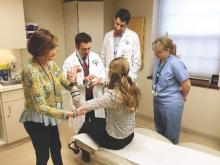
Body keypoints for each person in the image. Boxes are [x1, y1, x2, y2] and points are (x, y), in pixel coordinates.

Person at [19, 28, 77, 165]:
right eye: (52, 47)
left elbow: (66, 83)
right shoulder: (30, 70)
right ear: (41, 49)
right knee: (43, 155)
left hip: (50, 117)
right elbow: (41, 108)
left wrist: (74, 80)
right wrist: (69, 114)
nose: (56, 50)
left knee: (56, 148)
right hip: (36, 120)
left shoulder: (51, 64)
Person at [68, 57, 141, 162]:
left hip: (115, 141)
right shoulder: (133, 87)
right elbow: (118, 84)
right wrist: (100, 81)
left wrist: (72, 84)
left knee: (86, 124)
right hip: (129, 135)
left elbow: (80, 105)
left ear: (110, 72)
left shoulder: (111, 96)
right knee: (95, 120)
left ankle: (76, 145)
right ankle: (76, 145)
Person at [63, 32, 106, 133]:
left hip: (95, 97)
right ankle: (80, 145)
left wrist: (98, 81)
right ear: (76, 47)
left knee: (97, 124)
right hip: (81, 98)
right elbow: (66, 83)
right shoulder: (69, 62)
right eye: (84, 49)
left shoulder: (95, 57)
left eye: (89, 48)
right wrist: (83, 80)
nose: (87, 51)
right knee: (81, 126)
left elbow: (103, 74)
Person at [151, 37, 191, 144]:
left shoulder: (175, 63)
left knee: (170, 133)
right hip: (157, 99)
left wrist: (184, 96)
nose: (156, 54)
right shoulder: (157, 61)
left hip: (171, 103)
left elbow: (186, 84)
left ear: (168, 50)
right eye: (155, 51)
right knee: (159, 130)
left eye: (159, 52)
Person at [101, 8, 141, 81]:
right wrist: (104, 77)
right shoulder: (107, 36)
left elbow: (137, 62)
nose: (118, 28)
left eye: (122, 26)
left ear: (127, 24)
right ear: (114, 20)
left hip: (125, 78)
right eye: (117, 23)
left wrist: (130, 78)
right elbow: (103, 58)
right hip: (109, 78)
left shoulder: (133, 36)